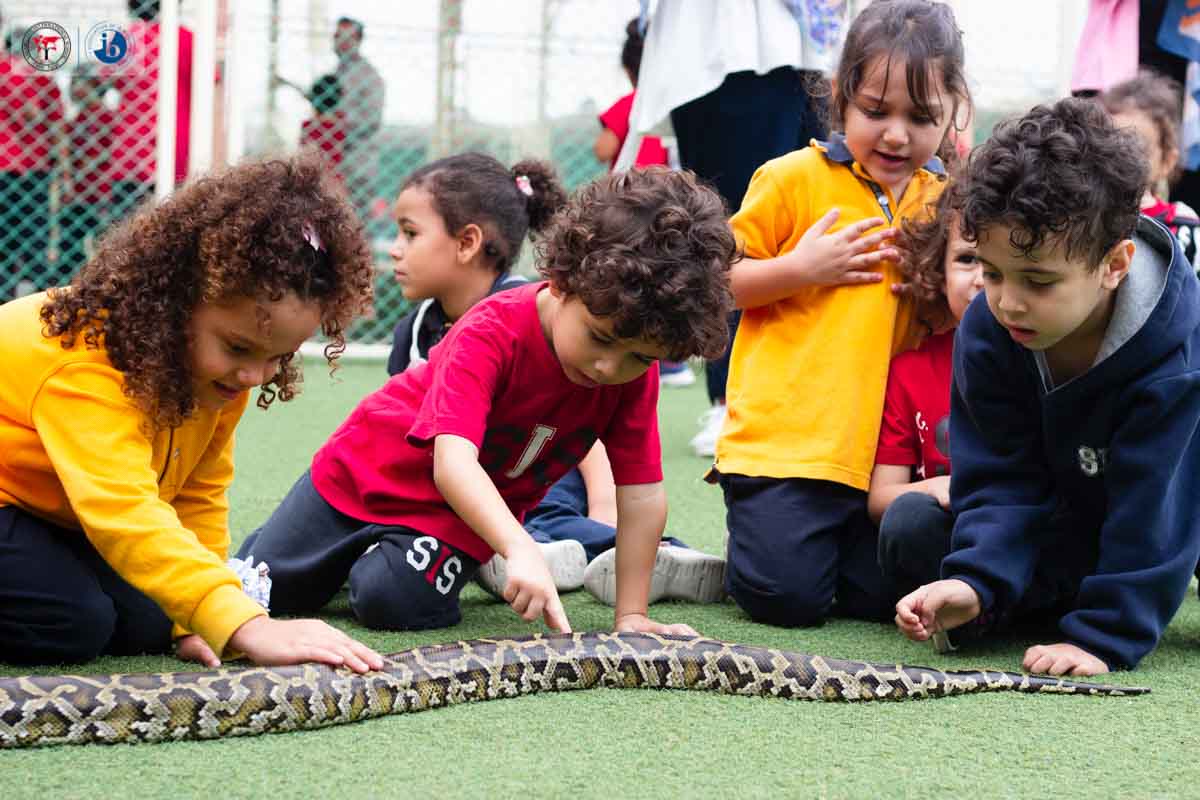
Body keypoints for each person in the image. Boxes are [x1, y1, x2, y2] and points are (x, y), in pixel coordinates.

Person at [238, 167, 736, 635]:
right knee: (262, 590)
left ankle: (441, 555)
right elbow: (452, 463)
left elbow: (642, 495)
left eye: (640, 357)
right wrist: (520, 546)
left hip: (453, 518)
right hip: (358, 478)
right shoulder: (492, 330)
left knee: (391, 600)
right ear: (563, 283)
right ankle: (336, 550)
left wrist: (632, 615)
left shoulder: (632, 378)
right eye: (599, 338)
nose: (610, 367)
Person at [0, 153, 383, 672]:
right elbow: (122, 512)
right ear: (176, 299)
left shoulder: (220, 376)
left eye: (279, 357)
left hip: (44, 510)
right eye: (238, 347)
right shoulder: (86, 360)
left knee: (153, 619)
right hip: (20, 503)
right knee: (71, 622)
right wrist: (248, 626)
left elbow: (196, 495)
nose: (255, 375)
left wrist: (201, 622)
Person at [894, 98, 1200, 676]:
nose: (1008, 302)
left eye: (1038, 281)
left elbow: (1154, 507)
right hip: (1067, 520)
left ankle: (1115, 603)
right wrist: (975, 580)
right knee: (910, 530)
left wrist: (1104, 636)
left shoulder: (1174, 358)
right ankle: (1018, 599)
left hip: (1176, 510)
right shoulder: (989, 328)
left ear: (1115, 265)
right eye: (991, 272)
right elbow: (998, 475)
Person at [711, 0, 969, 628]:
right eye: (876, 112)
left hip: (888, 460)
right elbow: (716, 284)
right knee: (787, 600)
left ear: (953, 111)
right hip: (788, 450)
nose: (896, 135)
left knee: (888, 595)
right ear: (839, 96)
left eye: (921, 117)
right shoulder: (790, 179)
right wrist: (800, 269)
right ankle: (739, 560)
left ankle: (803, 558)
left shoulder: (946, 201)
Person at [380, 152, 722, 607]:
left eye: (410, 234)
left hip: (544, 471)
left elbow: (598, 426)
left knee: (551, 509)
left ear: (468, 243)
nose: (395, 249)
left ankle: (647, 554)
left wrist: (604, 506)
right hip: (470, 481)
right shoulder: (417, 331)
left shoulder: (542, 312)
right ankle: (534, 549)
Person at [624, 0, 850, 455]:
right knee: (731, 233)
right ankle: (734, 400)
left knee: (817, 215)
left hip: (804, 47)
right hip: (725, 48)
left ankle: (805, 395)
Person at [870, 182, 983, 598]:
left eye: (1000, 262)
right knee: (908, 521)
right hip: (949, 534)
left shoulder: (1051, 360)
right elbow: (881, 499)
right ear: (940, 273)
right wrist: (938, 488)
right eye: (967, 259)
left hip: (1026, 532)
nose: (983, 279)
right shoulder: (910, 371)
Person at [594, 17, 691, 388]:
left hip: (630, 203)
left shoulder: (630, 104)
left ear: (628, 69)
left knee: (625, 278)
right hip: (670, 204)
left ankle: (621, 350)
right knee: (669, 276)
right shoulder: (678, 105)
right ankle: (671, 363)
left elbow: (603, 148)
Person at [1101, 70, 1200, 275]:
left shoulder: (1181, 226)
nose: (1121, 157)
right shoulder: (1086, 215)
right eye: (1110, 144)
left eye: (1136, 148)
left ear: (1167, 161)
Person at [108, 0, 195, 223]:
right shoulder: (185, 38)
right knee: (171, 223)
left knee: (128, 225)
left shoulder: (125, 40)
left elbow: (105, 80)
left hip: (129, 150)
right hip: (173, 147)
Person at [0, 26, 65, 297]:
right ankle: (34, 292)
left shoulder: (5, 71)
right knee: (34, 234)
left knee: (6, 233)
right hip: (33, 167)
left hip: (7, 164)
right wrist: (65, 170)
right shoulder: (39, 78)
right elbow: (44, 120)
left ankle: (6, 289)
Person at [60, 68, 118, 276]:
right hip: (79, 191)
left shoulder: (105, 116)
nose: (74, 90)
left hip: (99, 189)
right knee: (71, 242)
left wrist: (91, 164)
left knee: (103, 239)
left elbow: (109, 149)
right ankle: (71, 277)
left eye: (78, 84)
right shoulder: (78, 118)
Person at [300, 74, 348, 179]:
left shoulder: (308, 126)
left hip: (312, 177)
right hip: (335, 178)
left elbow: (302, 155)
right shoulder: (343, 123)